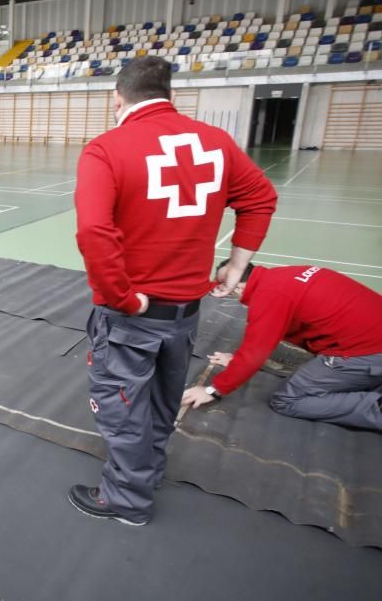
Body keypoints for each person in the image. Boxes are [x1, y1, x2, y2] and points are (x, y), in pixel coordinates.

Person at [70, 56, 278, 526]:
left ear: (118, 97)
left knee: (121, 406)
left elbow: (94, 233)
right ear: (170, 95)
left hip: (132, 314)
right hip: (184, 314)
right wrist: (236, 266)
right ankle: (149, 470)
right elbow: (261, 197)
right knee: (163, 399)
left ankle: (126, 499)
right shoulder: (216, 142)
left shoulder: (106, 149)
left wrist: (122, 298)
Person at [182, 261, 382, 431]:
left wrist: (213, 390)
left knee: (287, 401)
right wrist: (238, 360)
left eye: (224, 286)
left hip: (365, 350)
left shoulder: (269, 295)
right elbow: (272, 332)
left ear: (238, 287)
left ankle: (376, 407)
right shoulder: (282, 276)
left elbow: (255, 352)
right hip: (371, 335)